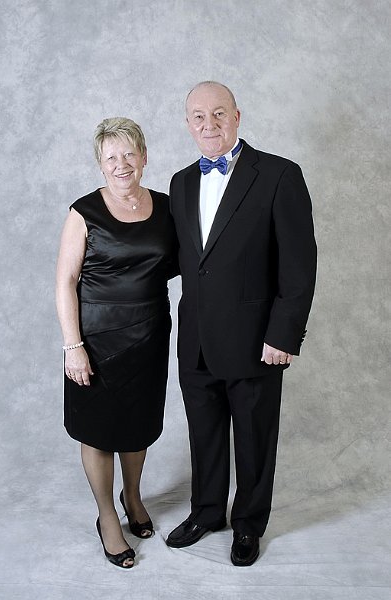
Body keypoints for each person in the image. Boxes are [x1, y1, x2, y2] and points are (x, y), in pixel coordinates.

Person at [166, 81, 317, 566]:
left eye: (218, 113)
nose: (208, 124)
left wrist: (283, 334)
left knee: (253, 439)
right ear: (188, 124)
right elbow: (187, 259)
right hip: (196, 340)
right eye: (198, 116)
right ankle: (207, 512)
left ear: (237, 116)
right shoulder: (180, 183)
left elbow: (299, 266)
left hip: (256, 342)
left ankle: (249, 524)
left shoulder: (278, 174)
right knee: (204, 435)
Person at [56, 117, 177, 568]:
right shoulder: (83, 212)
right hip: (96, 342)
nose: (121, 164)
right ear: (100, 164)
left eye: (129, 154)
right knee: (99, 431)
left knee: (138, 425)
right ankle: (107, 515)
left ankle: (133, 497)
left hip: (149, 337)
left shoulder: (167, 208)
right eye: (111, 157)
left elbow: (195, 261)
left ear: (144, 157)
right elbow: (65, 282)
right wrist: (73, 347)